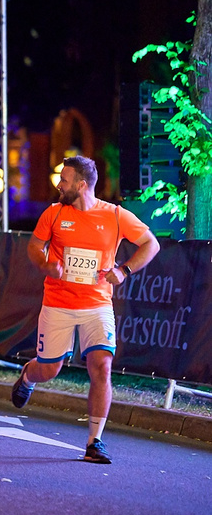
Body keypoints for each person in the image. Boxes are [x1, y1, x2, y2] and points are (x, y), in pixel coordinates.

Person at [14, 155, 160, 463]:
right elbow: (33, 246)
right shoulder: (54, 213)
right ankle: (28, 377)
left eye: (64, 180)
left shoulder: (116, 215)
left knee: (102, 366)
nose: (59, 185)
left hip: (97, 304)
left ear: (81, 185)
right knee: (49, 369)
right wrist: (45, 264)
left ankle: (95, 440)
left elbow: (151, 243)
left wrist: (124, 270)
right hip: (58, 303)